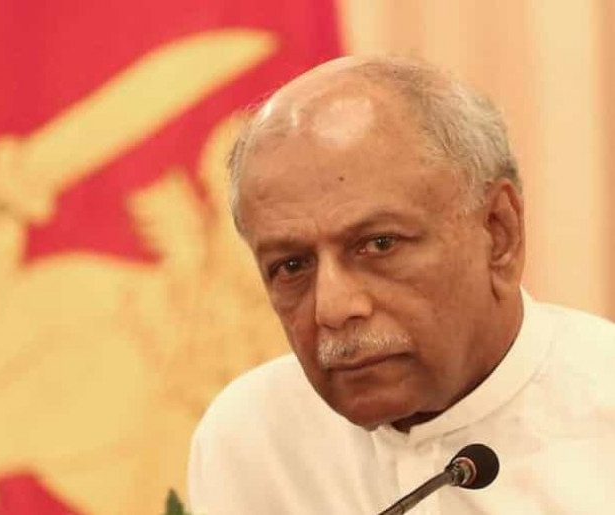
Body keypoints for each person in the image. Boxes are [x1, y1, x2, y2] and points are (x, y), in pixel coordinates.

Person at [186, 57, 615, 514]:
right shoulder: (250, 440)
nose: (332, 308)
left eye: (379, 244)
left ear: (498, 232)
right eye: (292, 266)